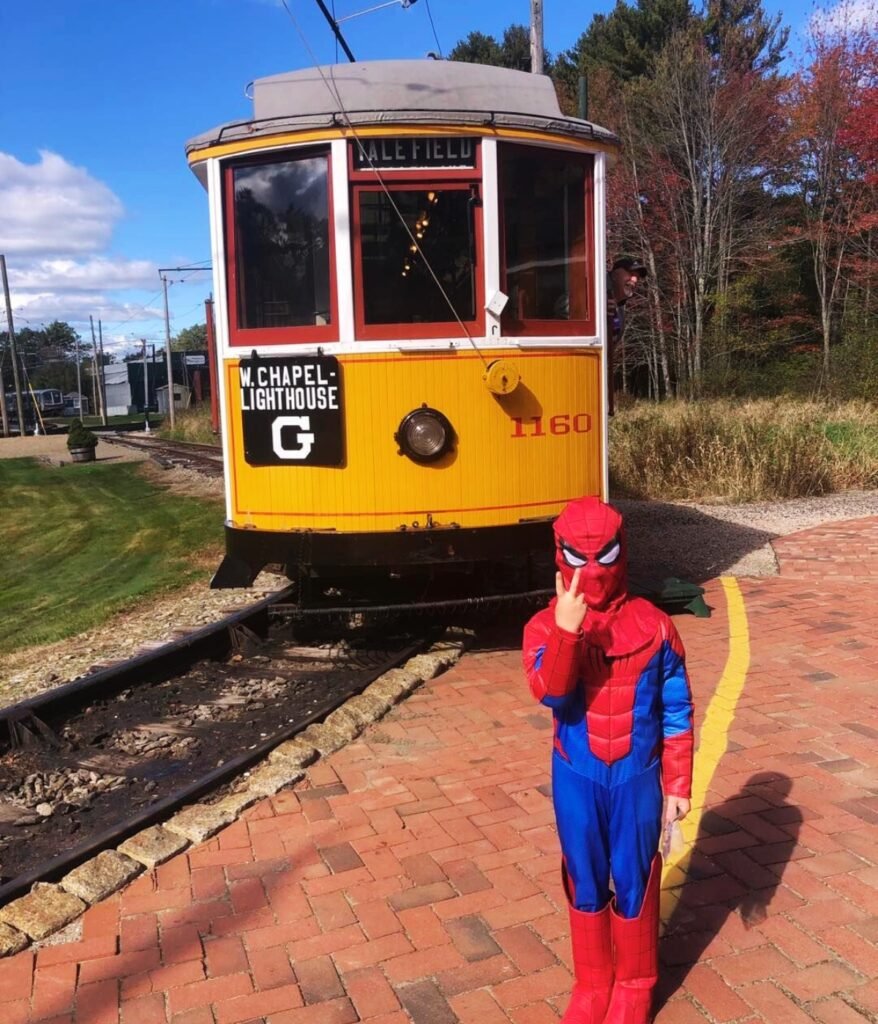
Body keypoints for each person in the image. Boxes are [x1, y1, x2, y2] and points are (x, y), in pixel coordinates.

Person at [522, 496, 694, 1024]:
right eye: (579, 558)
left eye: (606, 555)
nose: (592, 572)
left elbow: (677, 709)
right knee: (586, 873)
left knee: (636, 872)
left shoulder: (657, 626)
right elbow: (551, 693)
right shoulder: (541, 628)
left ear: (624, 553)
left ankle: (635, 984)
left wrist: (679, 783)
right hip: (577, 775)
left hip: (637, 777)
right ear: (559, 557)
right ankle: (593, 982)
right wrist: (567, 630)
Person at [607, 257, 647, 414]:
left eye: (637, 276)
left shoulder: (619, 306)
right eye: (630, 273)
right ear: (615, 274)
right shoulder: (593, 291)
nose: (635, 279)